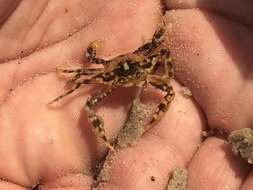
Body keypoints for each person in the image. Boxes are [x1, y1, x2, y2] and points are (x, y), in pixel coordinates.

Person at [0, 0, 252, 189]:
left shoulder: (147, 63)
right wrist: (62, 96)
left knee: (167, 90)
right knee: (88, 102)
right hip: (117, 69)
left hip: (137, 67)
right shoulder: (104, 77)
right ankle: (104, 138)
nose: (129, 81)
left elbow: (161, 47)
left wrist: (166, 76)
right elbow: (85, 85)